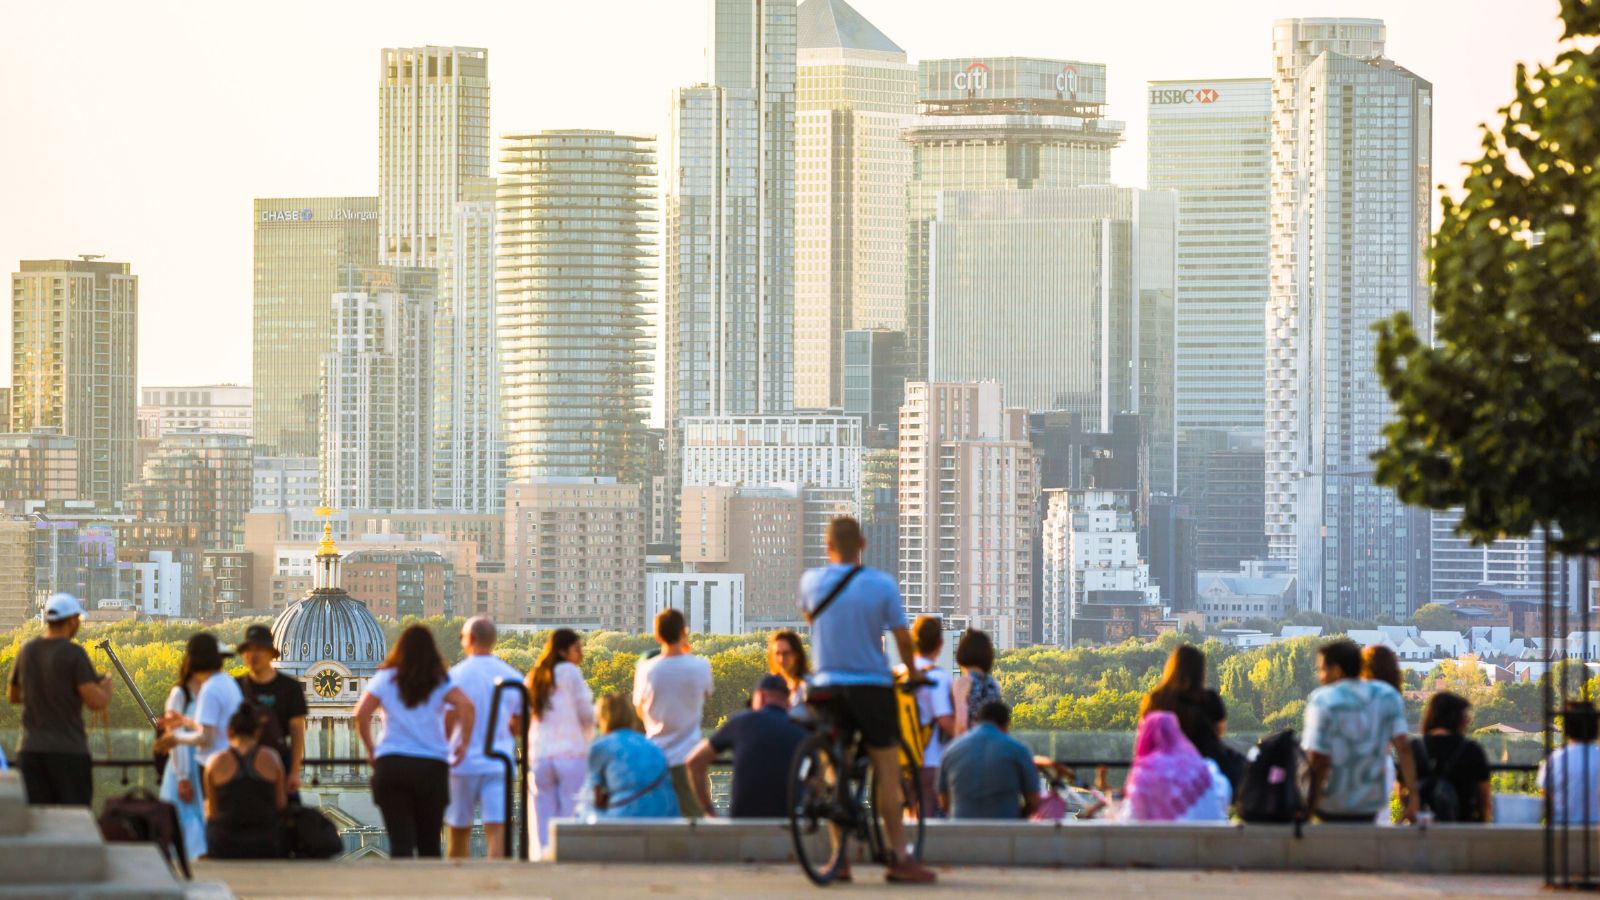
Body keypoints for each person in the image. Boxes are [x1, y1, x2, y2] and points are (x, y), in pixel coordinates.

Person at [798, 515, 936, 884]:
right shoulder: (881, 584)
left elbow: (809, 615)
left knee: (834, 771)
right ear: (862, 544)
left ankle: (838, 859)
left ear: (826, 547)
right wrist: (913, 671)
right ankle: (900, 858)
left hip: (825, 690)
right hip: (872, 688)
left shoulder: (810, 581)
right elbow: (903, 638)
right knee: (887, 775)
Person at [354, 624, 475, 858]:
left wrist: (372, 749)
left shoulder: (387, 677)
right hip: (431, 766)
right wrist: (463, 745)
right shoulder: (438, 679)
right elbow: (466, 706)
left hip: (392, 764)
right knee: (429, 843)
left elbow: (361, 714)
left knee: (400, 842)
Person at [5, 594, 113, 806]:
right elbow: (95, 702)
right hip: (68, 752)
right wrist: (107, 688)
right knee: (74, 819)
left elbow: (13, 696)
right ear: (72, 620)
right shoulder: (74, 654)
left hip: (30, 751)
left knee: (35, 819)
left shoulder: (27, 650)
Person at [1303, 639, 1418, 823]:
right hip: (1370, 803)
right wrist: (1414, 798)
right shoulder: (1387, 695)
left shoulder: (1323, 699)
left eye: (1322, 669)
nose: (1320, 676)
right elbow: (1403, 748)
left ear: (1338, 670)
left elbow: (1318, 760)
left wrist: (1308, 809)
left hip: (1331, 804)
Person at [446, 617, 524, 860]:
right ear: (493, 641)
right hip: (498, 763)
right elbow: (519, 724)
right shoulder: (512, 676)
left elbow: (446, 722)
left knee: (458, 833)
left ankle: (458, 889)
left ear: (469, 640)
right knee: (497, 831)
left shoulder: (454, 676)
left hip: (461, 764)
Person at [685, 675, 807, 818]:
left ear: (760, 696)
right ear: (788, 702)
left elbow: (694, 761)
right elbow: (813, 781)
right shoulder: (802, 730)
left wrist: (708, 811)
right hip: (789, 824)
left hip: (744, 821)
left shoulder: (742, 721)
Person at [632, 608, 712, 818]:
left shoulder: (646, 669)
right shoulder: (701, 667)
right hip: (690, 759)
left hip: (654, 759)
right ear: (683, 632)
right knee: (694, 822)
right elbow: (705, 696)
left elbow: (639, 708)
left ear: (657, 635)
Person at [525, 628, 595, 857]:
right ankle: (567, 860)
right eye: (577, 648)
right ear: (564, 651)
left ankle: (542, 858)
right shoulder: (570, 673)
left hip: (541, 755)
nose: (581, 654)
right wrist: (589, 738)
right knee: (570, 815)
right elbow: (586, 713)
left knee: (542, 815)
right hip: (570, 754)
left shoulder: (534, 676)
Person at [1138, 645, 1237, 788]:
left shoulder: (1155, 700)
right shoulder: (1208, 699)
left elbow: (1146, 734)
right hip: (1203, 775)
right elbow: (1219, 731)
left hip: (1164, 776)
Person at [202, 705, 286, 859]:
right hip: (267, 843)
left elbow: (213, 814)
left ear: (229, 732)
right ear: (257, 732)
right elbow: (281, 806)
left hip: (226, 844)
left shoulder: (214, 763)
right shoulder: (272, 759)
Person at [234, 624, 306, 800]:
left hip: (279, 761)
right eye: (248, 650)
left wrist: (295, 771)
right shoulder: (234, 686)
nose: (253, 655)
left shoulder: (290, 688)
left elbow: (297, 731)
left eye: (259, 649)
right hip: (243, 764)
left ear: (271, 654)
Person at [1121, 710, 1231, 822]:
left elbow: (1129, 821)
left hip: (1162, 838)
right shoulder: (1207, 770)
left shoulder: (1144, 774)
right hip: (1210, 838)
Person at [936, 700, 1038, 820]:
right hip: (1005, 829)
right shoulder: (1018, 750)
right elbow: (1033, 801)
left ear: (976, 722)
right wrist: (1020, 817)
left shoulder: (951, 751)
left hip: (962, 829)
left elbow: (944, 802)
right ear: (1005, 725)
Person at [154, 633, 243, 770]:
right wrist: (186, 721)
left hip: (217, 766)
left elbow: (207, 738)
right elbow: (219, 729)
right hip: (232, 762)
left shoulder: (210, 689)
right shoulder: (228, 681)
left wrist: (176, 739)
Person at [585, 693, 679, 819]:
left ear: (602, 718)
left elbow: (596, 798)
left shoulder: (601, 746)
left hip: (628, 819)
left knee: (584, 811)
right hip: (667, 816)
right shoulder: (652, 744)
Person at [160, 640, 209, 860]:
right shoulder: (179, 694)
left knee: (199, 818)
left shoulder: (205, 691)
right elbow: (173, 736)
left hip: (201, 763)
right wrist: (182, 777)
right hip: (184, 766)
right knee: (183, 818)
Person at [1414, 691, 1492, 823]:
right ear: (1458, 719)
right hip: (1463, 827)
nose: (1468, 720)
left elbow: (1402, 791)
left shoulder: (1415, 748)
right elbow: (1484, 797)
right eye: (1466, 716)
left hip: (1424, 828)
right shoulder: (1472, 749)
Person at [908, 615, 954, 818]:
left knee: (907, 815)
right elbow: (944, 720)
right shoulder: (937, 677)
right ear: (940, 644)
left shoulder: (899, 673)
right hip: (930, 758)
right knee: (926, 817)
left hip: (902, 756)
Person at [1362, 644, 1405, 824]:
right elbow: (1402, 744)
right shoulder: (1391, 697)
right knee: (1379, 819)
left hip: (1353, 765)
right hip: (1381, 763)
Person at [1539, 700, 1600, 825]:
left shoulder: (1554, 759)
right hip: (1596, 833)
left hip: (1561, 830)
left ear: (1567, 728)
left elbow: (1546, 802)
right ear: (1595, 727)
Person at [950, 629, 1001, 737]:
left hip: (971, 743)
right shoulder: (993, 685)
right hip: (991, 743)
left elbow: (961, 722)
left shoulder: (963, 682)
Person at [768, 630, 809, 706]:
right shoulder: (772, 689)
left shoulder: (808, 688)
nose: (781, 659)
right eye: (777, 653)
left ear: (797, 655)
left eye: (786, 653)